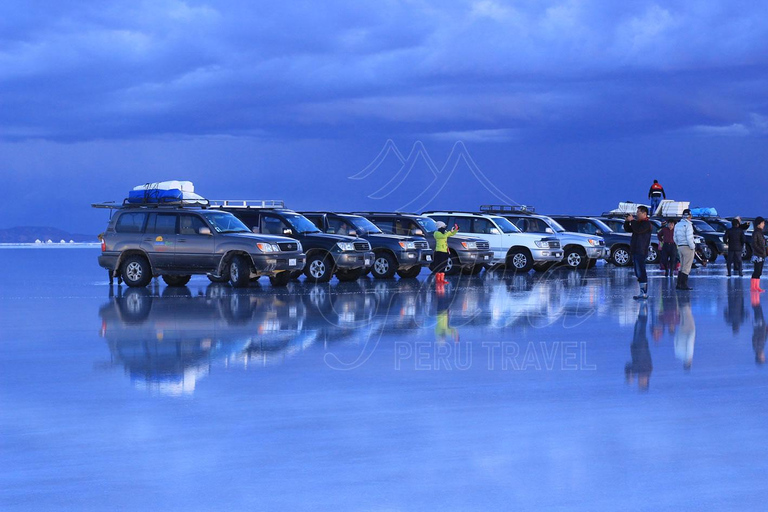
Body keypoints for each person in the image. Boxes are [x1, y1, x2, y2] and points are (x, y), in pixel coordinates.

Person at [624, 206, 652, 300]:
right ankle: (641, 292)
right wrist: (627, 221)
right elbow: (628, 229)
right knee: (637, 271)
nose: (637, 214)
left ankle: (644, 292)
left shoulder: (646, 224)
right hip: (635, 250)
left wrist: (632, 221)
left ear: (644, 214)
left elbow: (638, 230)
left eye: (638, 212)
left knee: (641, 271)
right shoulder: (638, 223)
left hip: (641, 250)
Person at [674, 209, 695, 290]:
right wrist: (692, 247)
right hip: (687, 247)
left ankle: (678, 284)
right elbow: (689, 237)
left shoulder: (677, 225)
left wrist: (678, 244)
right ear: (689, 216)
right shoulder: (688, 225)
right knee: (686, 266)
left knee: (681, 265)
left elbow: (674, 237)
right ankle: (684, 284)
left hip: (680, 246)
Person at [751, 216, 766, 293]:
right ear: (759, 224)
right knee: (756, 271)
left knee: (759, 271)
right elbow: (754, 244)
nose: (764, 224)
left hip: (761, 255)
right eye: (763, 223)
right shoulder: (756, 232)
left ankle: (757, 286)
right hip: (757, 255)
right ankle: (753, 287)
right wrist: (761, 251)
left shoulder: (760, 232)